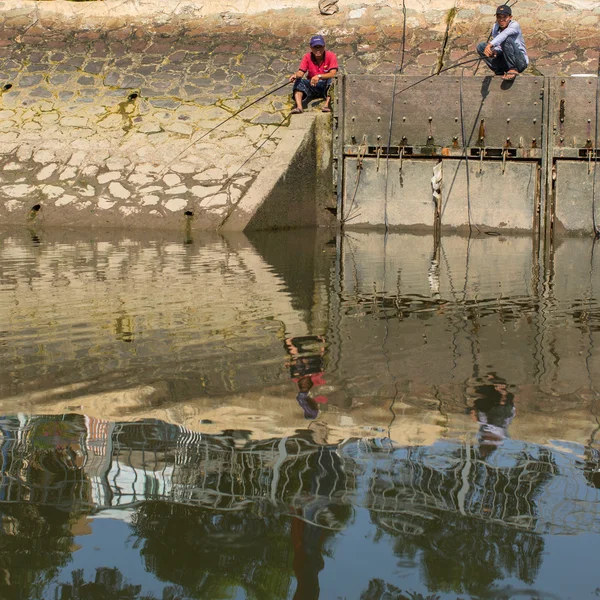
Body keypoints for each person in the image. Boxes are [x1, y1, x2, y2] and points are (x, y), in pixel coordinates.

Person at [476, 4, 528, 81]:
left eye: (504, 17)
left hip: (519, 62)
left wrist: (490, 45)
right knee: (481, 46)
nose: (501, 20)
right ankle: (498, 71)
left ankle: (513, 69)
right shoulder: (495, 27)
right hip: (505, 62)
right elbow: (499, 46)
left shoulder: (514, 25)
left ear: (510, 17)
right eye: (499, 17)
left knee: (506, 39)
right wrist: (495, 51)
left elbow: (504, 35)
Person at [289, 35, 338, 114]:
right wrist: (296, 75)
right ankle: (299, 107)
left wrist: (319, 76)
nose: (318, 50)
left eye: (320, 47)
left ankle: (326, 105)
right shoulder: (307, 57)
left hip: (325, 85)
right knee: (299, 81)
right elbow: (301, 72)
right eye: (315, 47)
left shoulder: (331, 56)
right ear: (311, 48)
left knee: (333, 80)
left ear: (324, 47)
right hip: (312, 84)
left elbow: (333, 73)